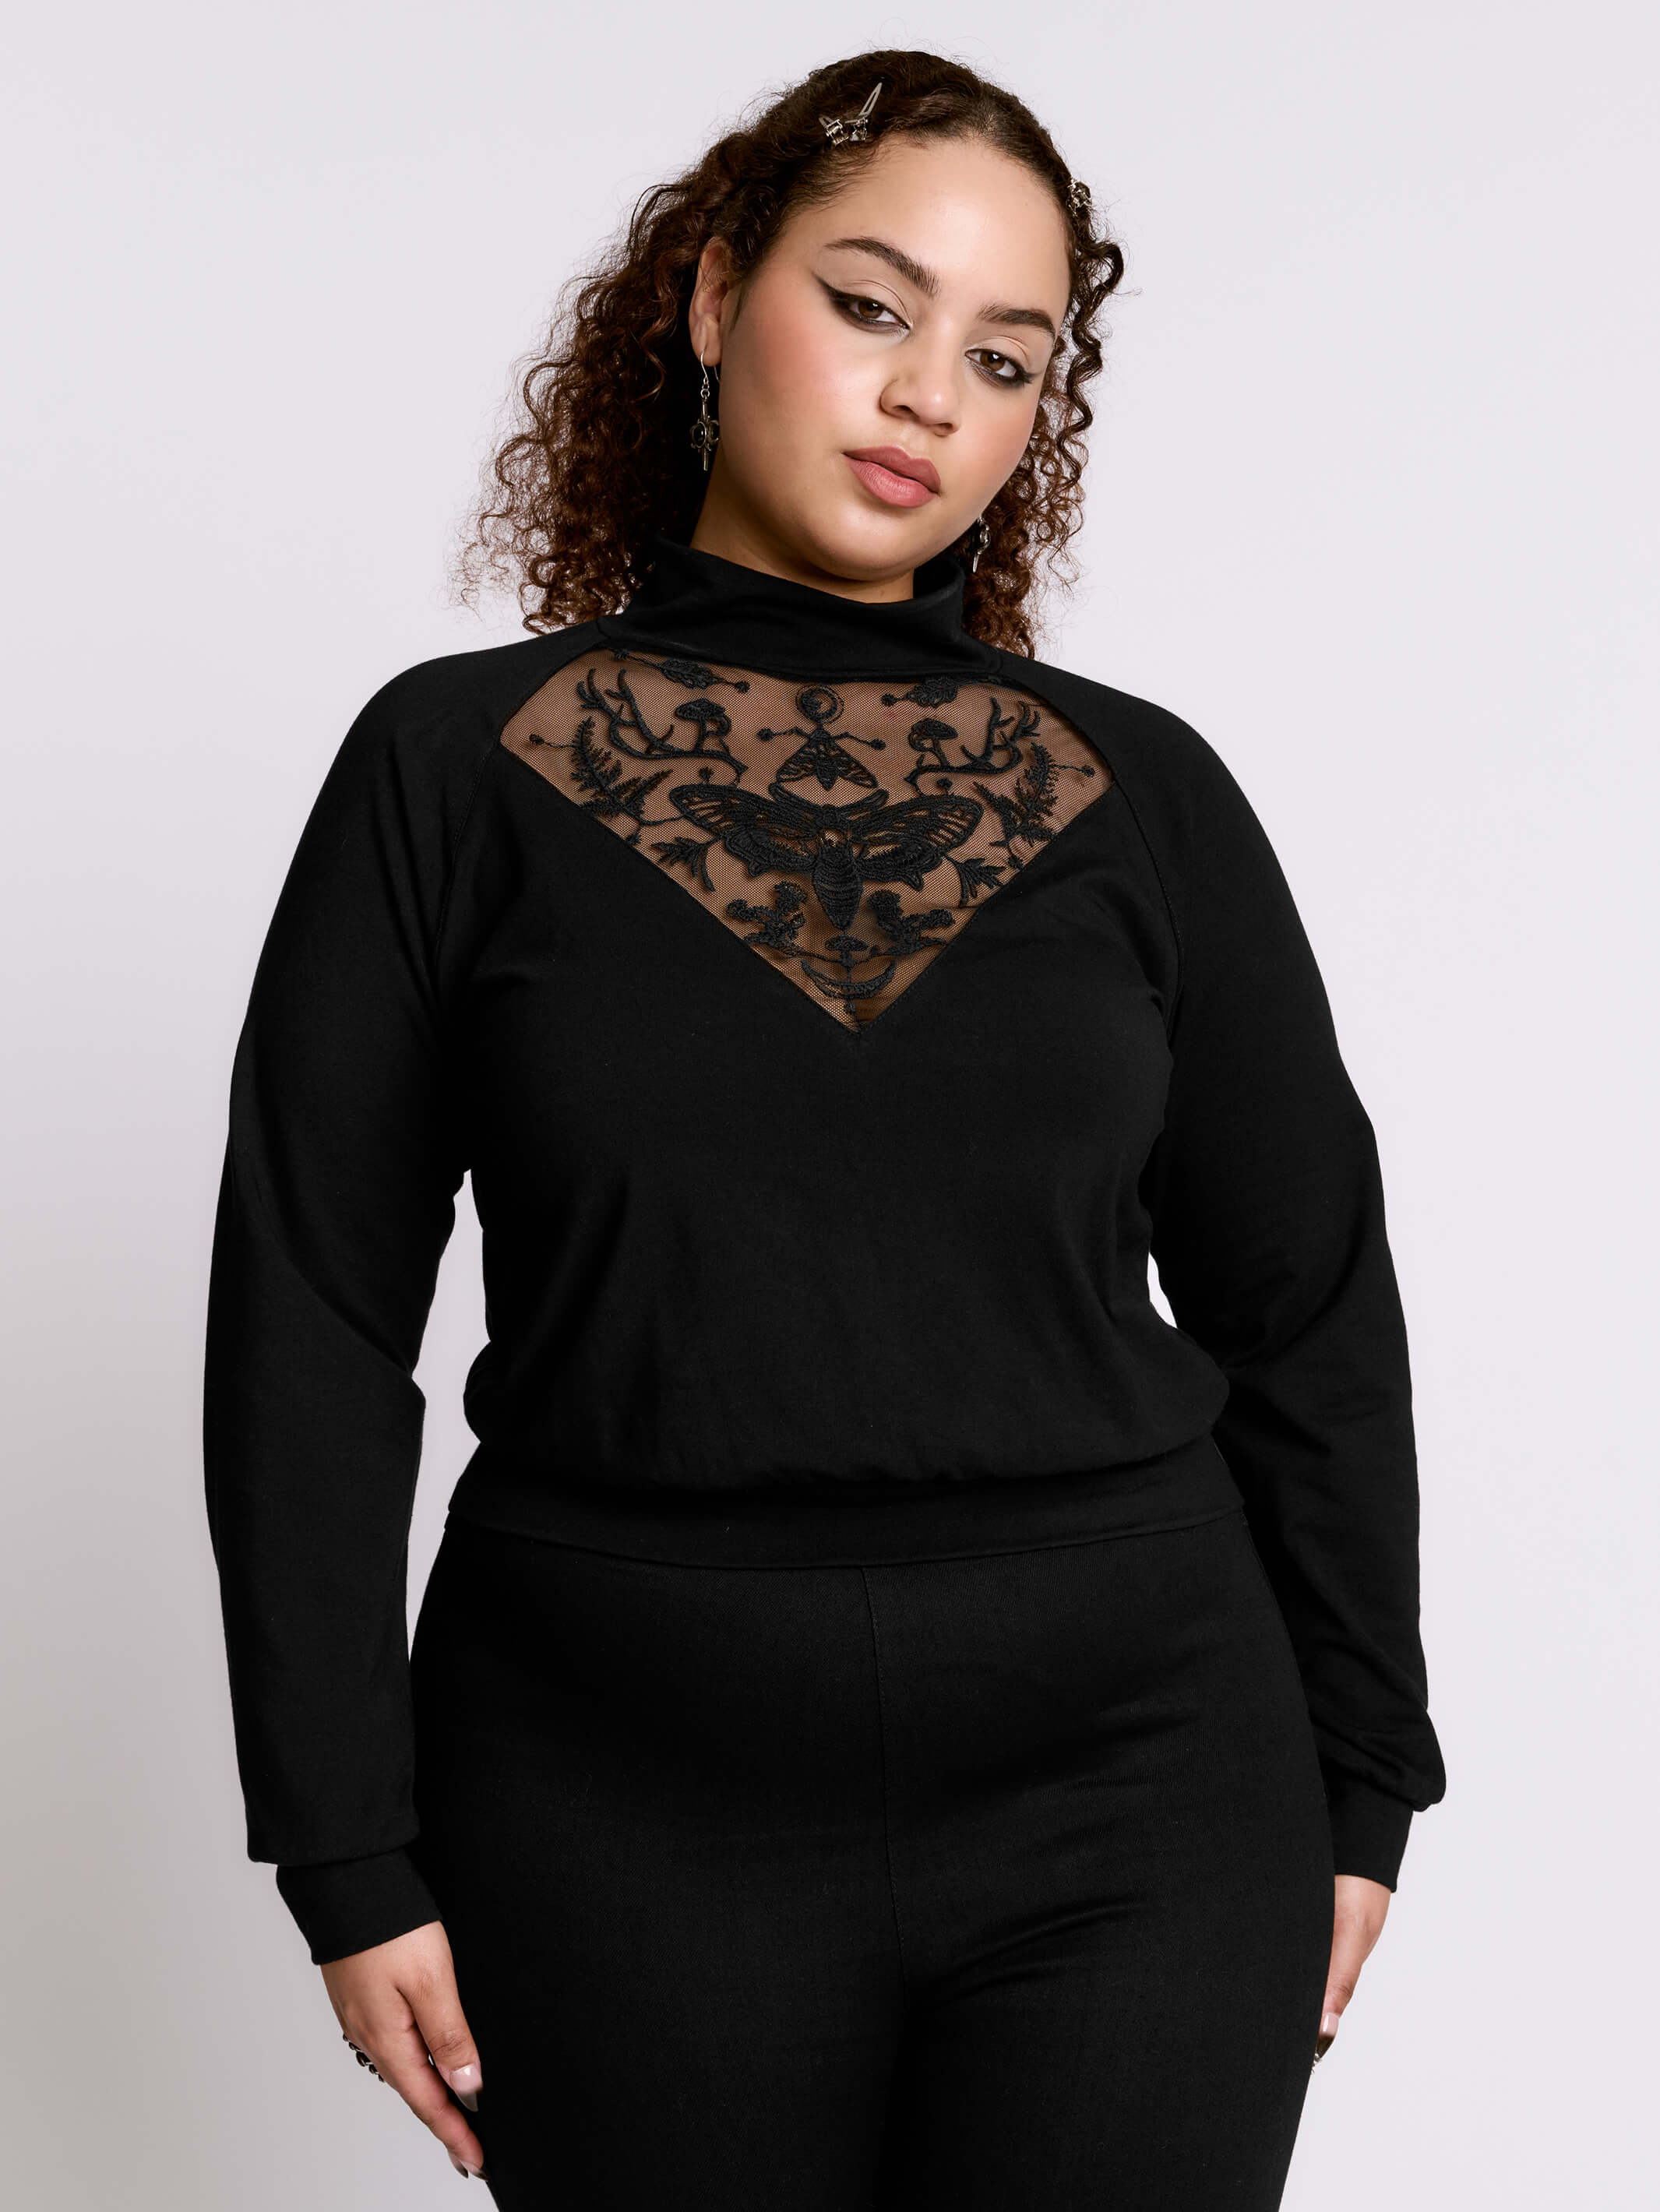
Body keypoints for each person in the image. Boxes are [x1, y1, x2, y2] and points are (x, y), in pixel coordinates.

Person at [202, 48, 1447, 2210]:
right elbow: (309, 1313)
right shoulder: (454, 766)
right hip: (609, 1794)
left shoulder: (1136, 790)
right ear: (710, 299)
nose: (926, 396)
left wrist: (1361, 1776)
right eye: (870, 306)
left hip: (1140, 1784)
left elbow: (1306, 1301)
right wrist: (343, 1843)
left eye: (1004, 357)